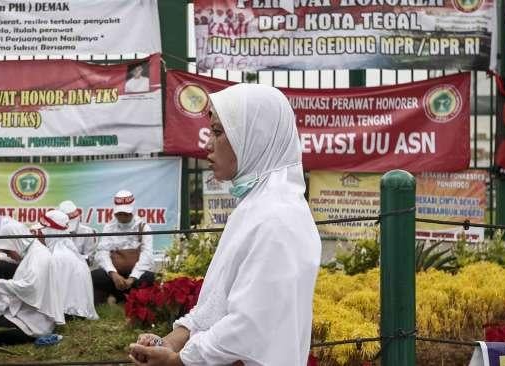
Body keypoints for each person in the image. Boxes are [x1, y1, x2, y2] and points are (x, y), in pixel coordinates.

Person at [129, 84, 322, 365]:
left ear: (254, 138)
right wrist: (173, 340)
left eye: (218, 132)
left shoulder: (278, 219)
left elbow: (249, 326)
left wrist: (178, 361)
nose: (207, 144)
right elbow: (219, 301)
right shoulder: (255, 207)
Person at [0, 219, 64, 344]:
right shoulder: (31, 251)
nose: (8, 256)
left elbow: (29, 287)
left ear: (16, 243)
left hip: (33, 324)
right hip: (23, 315)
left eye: (8, 251)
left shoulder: (39, 256)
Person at [32, 209, 99, 320]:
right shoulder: (65, 250)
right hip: (71, 311)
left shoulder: (57, 256)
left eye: (42, 231)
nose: (39, 235)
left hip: (69, 314)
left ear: (51, 232)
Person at [91, 190, 155, 304]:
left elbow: (147, 255)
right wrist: (113, 274)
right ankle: (108, 301)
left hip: (135, 276)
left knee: (148, 277)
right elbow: (102, 253)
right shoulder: (109, 227)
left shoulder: (144, 227)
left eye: (126, 213)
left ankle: (130, 300)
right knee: (96, 276)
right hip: (116, 274)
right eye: (119, 214)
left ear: (132, 210)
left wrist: (132, 278)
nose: (122, 217)